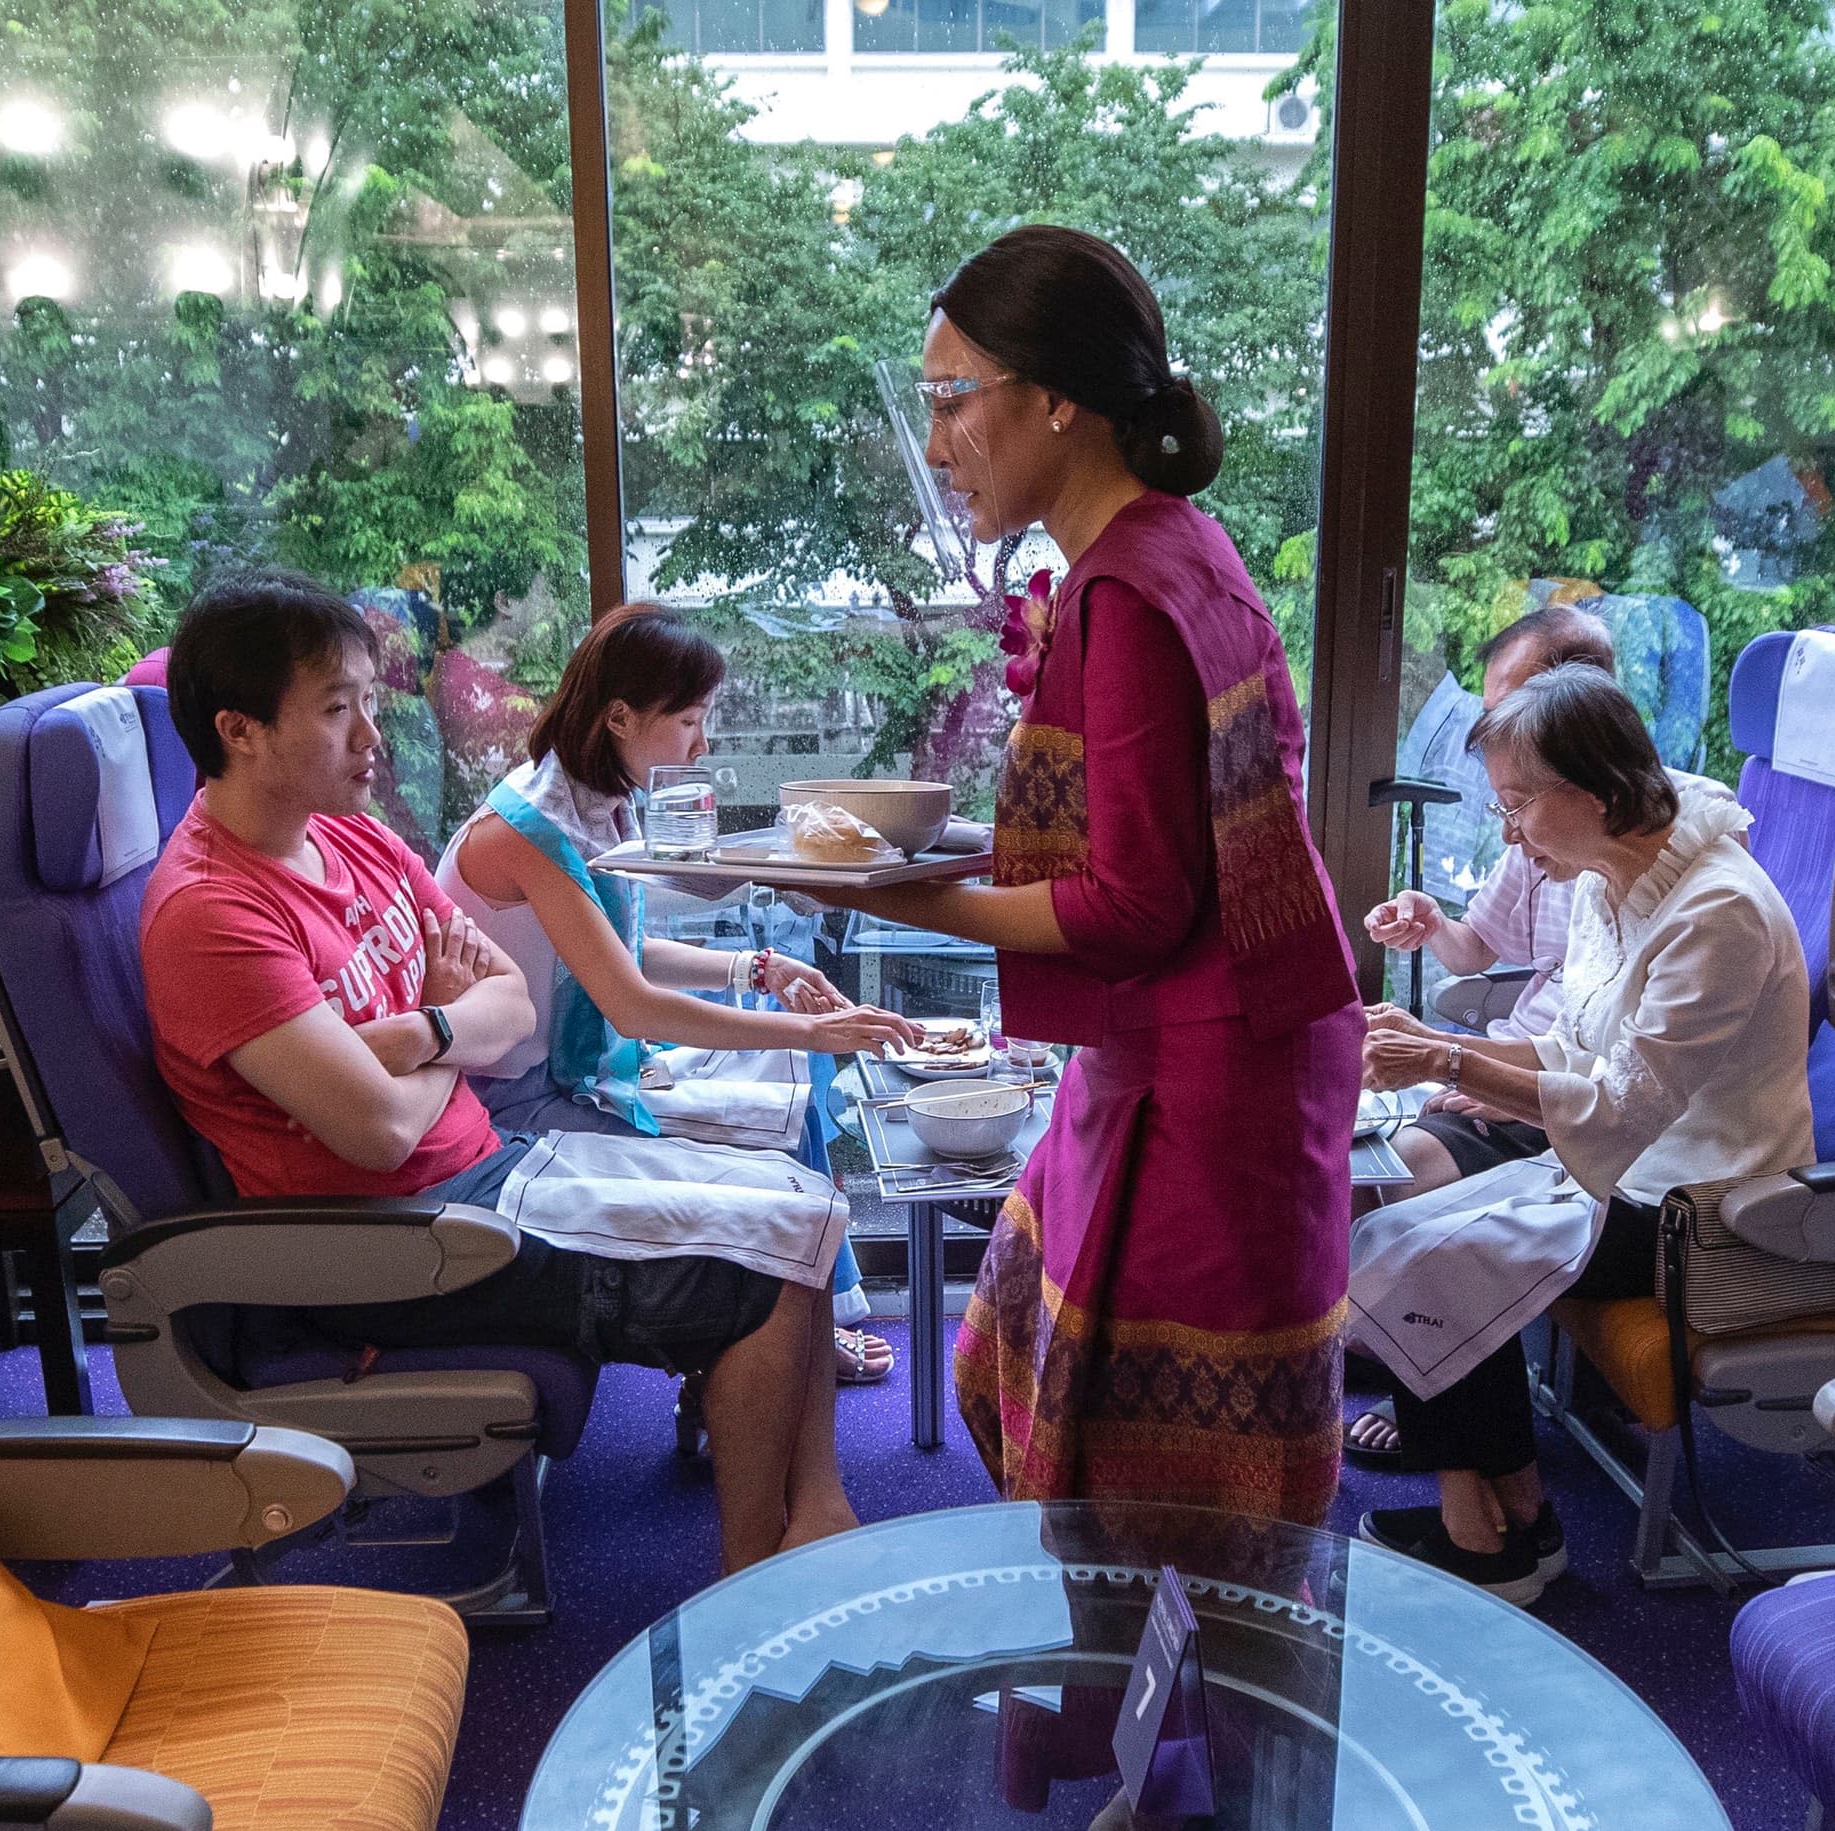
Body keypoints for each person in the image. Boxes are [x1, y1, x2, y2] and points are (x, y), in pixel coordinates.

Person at [137, 573, 857, 1572]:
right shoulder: (214, 918)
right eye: (337, 710)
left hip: (490, 1170)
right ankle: (755, 1580)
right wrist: (449, 1028)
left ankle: (808, 1519)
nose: (372, 738)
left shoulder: (355, 838)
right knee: (775, 1271)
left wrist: (418, 1039)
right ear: (241, 730)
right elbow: (381, 1133)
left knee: (800, 1209)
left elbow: (510, 1003)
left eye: (370, 706)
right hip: (406, 1248)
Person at [849, 224, 1366, 1531]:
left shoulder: (1123, 591)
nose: (941, 439)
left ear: (1058, 399)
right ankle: (1163, 1718)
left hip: (1202, 1083)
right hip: (1231, 1040)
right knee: (1026, 1365)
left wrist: (895, 899)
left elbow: (1136, 903)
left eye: (954, 399)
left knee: (1136, 1482)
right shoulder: (1178, 543)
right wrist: (930, 866)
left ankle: (1153, 1720)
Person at [1339, 665, 1835, 1599]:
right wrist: (1466, 1066)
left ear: (1592, 794)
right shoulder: (1608, 872)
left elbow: (1628, 1108)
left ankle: (1491, 1534)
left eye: (1517, 806)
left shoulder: (1719, 915)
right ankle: (1521, 1514)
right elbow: (1578, 1042)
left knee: (1441, 1249)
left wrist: (1453, 1063)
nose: (1507, 832)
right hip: (1615, 1156)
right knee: (1395, 1203)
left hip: (1705, 1205)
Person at [442, 602, 917, 1387]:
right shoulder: (527, 833)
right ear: (621, 718)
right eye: (691, 719)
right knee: (771, 1154)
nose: (705, 742)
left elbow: (611, 953)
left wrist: (758, 971)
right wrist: (813, 1031)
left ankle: (780, 1352)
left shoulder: (585, 804)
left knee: (790, 1101)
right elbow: (630, 1003)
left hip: (573, 1069)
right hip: (519, 1107)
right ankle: (755, 1361)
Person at [1358, 603, 1618, 1196]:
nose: (1508, 831)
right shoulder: (1541, 836)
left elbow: (1617, 1090)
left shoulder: (1642, 868)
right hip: (1519, 1066)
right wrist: (1434, 924)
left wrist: (1449, 1061)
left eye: (1508, 715)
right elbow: (1475, 951)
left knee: (1374, 1183)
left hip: (1548, 1102)